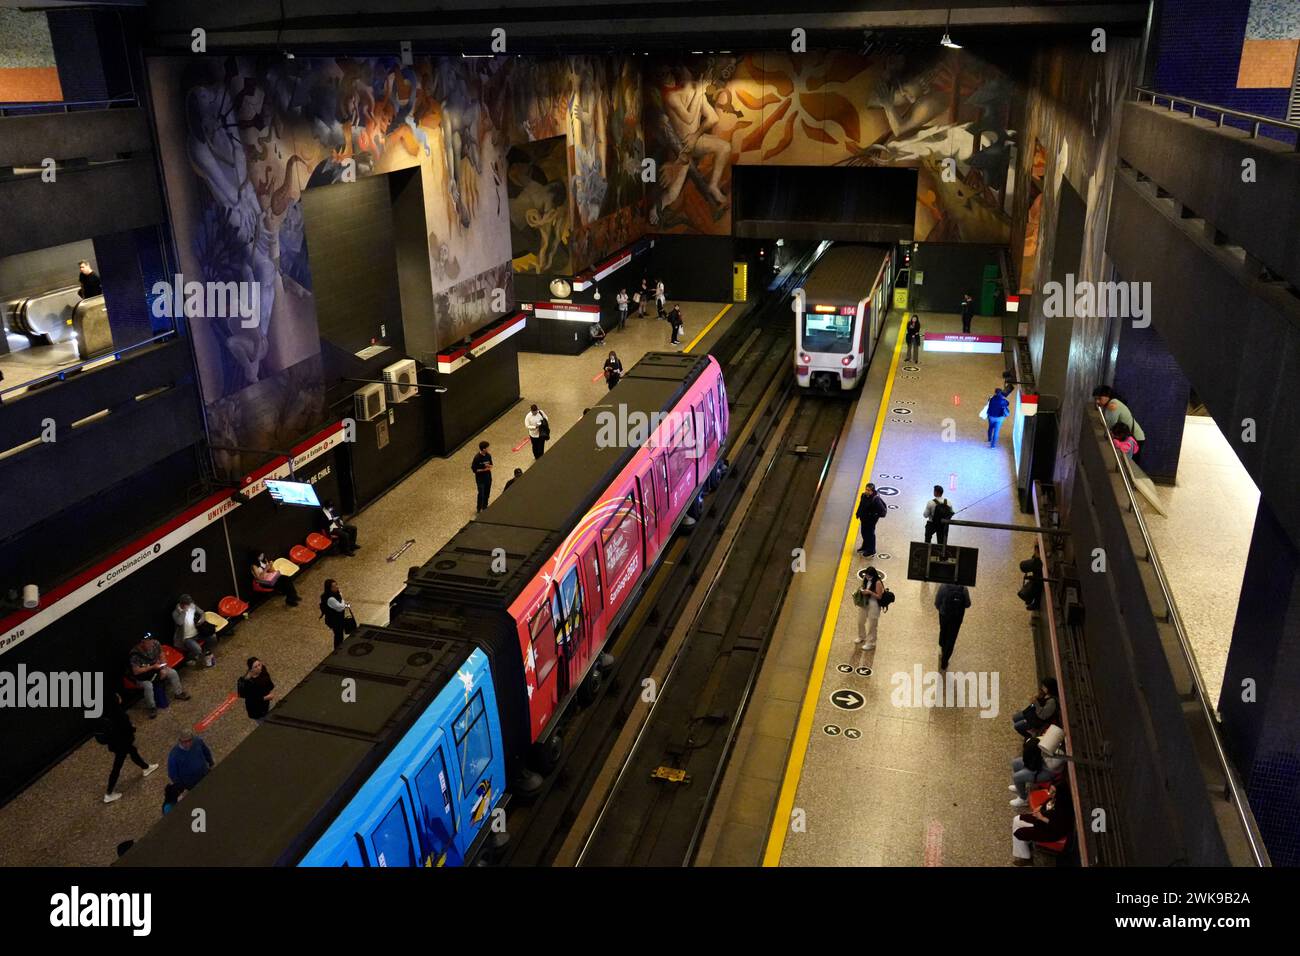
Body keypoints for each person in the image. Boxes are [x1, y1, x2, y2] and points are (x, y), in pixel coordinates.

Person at [96, 691, 158, 803]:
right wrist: (132, 729)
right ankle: (109, 793)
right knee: (118, 765)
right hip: (122, 742)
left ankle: (145, 767)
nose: (120, 696)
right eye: (117, 696)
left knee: (133, 751)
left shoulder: (107, 713)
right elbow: (126, 727)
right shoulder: (119, 713)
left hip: (116, 742)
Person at [1011, 780, 1073, 865]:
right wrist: (1040, 807)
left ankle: (1026, 857)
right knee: (1016, 819)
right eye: (1050, 790)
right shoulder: (1055, 798)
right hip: (1041, 820)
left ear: (1060, 794)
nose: (1050, 793)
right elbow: (1048, 802)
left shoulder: (1064, 809)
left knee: (1018, 832)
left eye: (1053, 792)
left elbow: (1058, 826)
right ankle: (1023, 844)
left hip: (1051, 831)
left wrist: (1042, 817)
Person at [129, 633, 189, 718]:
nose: (151, 643)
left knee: (173, 673)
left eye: (151, 640)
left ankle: (179, 693)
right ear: (141, 643)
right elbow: (136, 671)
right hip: (143, 677)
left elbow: (161, 655)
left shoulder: (155, 643)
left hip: (156, 669)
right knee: (148, 686)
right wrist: (152, 667)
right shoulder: (134, 654)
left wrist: (163, 668)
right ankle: (152, 707)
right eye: (148, 642)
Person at [1010, 725, 1067, 807]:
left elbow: (1051, 766)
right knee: (1015, 763)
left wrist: (1041, 754)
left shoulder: (1059, 755)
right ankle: (1020, 787)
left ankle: (1023, 798)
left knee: (1017, 777)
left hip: (1048, 771)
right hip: (1040, 763)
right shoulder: (1048, 743)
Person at [1092, 386, 1145, 456]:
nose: (1097, 401)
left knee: (1129, 462)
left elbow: (1110, 425)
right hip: (1134, 437)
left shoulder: (1113, 405)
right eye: (1095, 399)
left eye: (1099, 398)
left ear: (1107, 396)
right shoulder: (1113, 402)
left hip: (1135, 438)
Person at [172, 594, 217, 667]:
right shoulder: (175, 613)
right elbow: (179, 622)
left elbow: (202, 612)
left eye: (190, 603)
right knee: (197, 649)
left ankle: (205, 653)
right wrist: (184, 611)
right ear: (182, 604)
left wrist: (202, 619)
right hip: (186, 638)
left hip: (197, 632)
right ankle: (189, 659)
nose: (190, 605)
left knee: (213, 638)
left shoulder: (192, 606)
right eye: (188, 604)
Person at [935, 582, 971, 670]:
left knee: (943, 631)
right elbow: (968, 604)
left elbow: (936, 602)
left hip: (944, 614)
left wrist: (940, 609)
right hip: (957, 618)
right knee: (951, 638)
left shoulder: (943, 586)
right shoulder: (963, 588)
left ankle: (942, 647)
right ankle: (945, 660)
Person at [854, 567, 885, 651]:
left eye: (869, 576)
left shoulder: (878, 583)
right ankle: (861, 636)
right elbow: (863, 587)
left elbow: (879, 596)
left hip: (874, 604)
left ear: (873, 575)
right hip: (864, 603)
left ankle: (871, 643)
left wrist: (870, 592)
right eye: (866, 576)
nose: (867, 578)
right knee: (860, 621)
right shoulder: (865, 579)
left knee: (872, 625)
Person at [237, 657, 275, 722]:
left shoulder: (262, 670)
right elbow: (251, 699)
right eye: (255, 667)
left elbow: (268, 681)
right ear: (251, 669)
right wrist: (266, 697)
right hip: (256, 710)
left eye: (259, 665)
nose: (259, 668)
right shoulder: (249, 682)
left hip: (265, 704)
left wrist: (269, 692)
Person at [855, 483, 887, 557]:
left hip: (871, 521)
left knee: (870, 534)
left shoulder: (876, 499)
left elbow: (883, 512)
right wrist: (858, 513)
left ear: (872, 491)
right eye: (866, 489)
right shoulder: (863, 495)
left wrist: (874, 516)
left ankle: (871, 550)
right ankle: (865, 546)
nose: (866, 491)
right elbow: (861, 505)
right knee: (864, 533)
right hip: (864, 518)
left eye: (868, 490)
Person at [320, 579, 351, 650]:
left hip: (338, 619)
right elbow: (341, 607)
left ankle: (340, 647)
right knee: (338, 635)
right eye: (334, 586)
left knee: (339, 634)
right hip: (335, 621)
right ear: (330, 588)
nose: (337, 587)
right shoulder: (330, 598)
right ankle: (337, 649)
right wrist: (342, 599)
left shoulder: (335, 594)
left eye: (336, 585)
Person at [985, 383, 1012, 448]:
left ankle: (989, 439)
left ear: (995, 392)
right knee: (996, 431)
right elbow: (1008, 404)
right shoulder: (1003, 401)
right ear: (1001, 392)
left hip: (991, 416)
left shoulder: (991, 399)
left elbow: (989, 401)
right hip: (1000, 418)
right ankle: (993, 446)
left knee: (990, 428)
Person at [471, 440, 493, 512]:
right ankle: (479, 507)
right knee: (481, 493)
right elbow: (474, 470)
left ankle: (485, 506)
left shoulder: (488, 455)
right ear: (483, 449)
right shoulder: (477, 458)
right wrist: (484, 469)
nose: (488, 449)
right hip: (480, 479)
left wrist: (488, 466)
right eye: (487, 448)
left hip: (488, 478)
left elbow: (491, 465)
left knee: (487, 493)